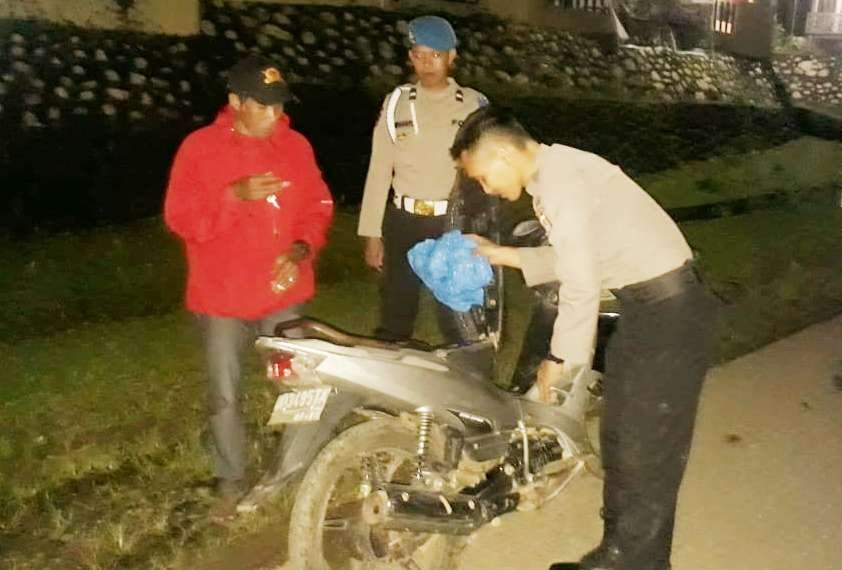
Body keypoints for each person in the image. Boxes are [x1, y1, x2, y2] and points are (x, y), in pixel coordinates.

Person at [450, 106, 718, 570]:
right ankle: (626, 553)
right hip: (648, 309)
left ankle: (632, 559)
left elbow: (580, 282)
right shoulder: (555, 174)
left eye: (482, 178)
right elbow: (577, 256)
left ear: (501, 157)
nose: (486, 189)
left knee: (645, 445)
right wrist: (502, 254)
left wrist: (561, 359)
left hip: (669, 313)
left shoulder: (562, 184)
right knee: (623, 435)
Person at [164, 55, 334, 522]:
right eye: (262, 105)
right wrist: (232, 196)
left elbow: (318, 206)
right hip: (222, 296)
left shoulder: (295, 146)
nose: (274, 115)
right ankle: (231, 479)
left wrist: (300, 249)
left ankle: (296, 470)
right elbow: (181, 219)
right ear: (236, 102)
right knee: (224, 390)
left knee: (299, 383)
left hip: (282, 292)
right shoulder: (200, 148)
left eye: (279, 105)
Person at [357, 15, 489, 343]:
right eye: (419, 54)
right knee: (396, 309)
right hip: (403, 219)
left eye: (436, 55)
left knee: (456, 312)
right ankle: (392, 367)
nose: (427, 63)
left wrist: (481, 227)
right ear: (410, 57)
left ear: (452, 56)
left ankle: (463, 368)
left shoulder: (473, 105)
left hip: (452, 220)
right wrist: (371, 233)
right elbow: (379, 168)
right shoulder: (396, 103)